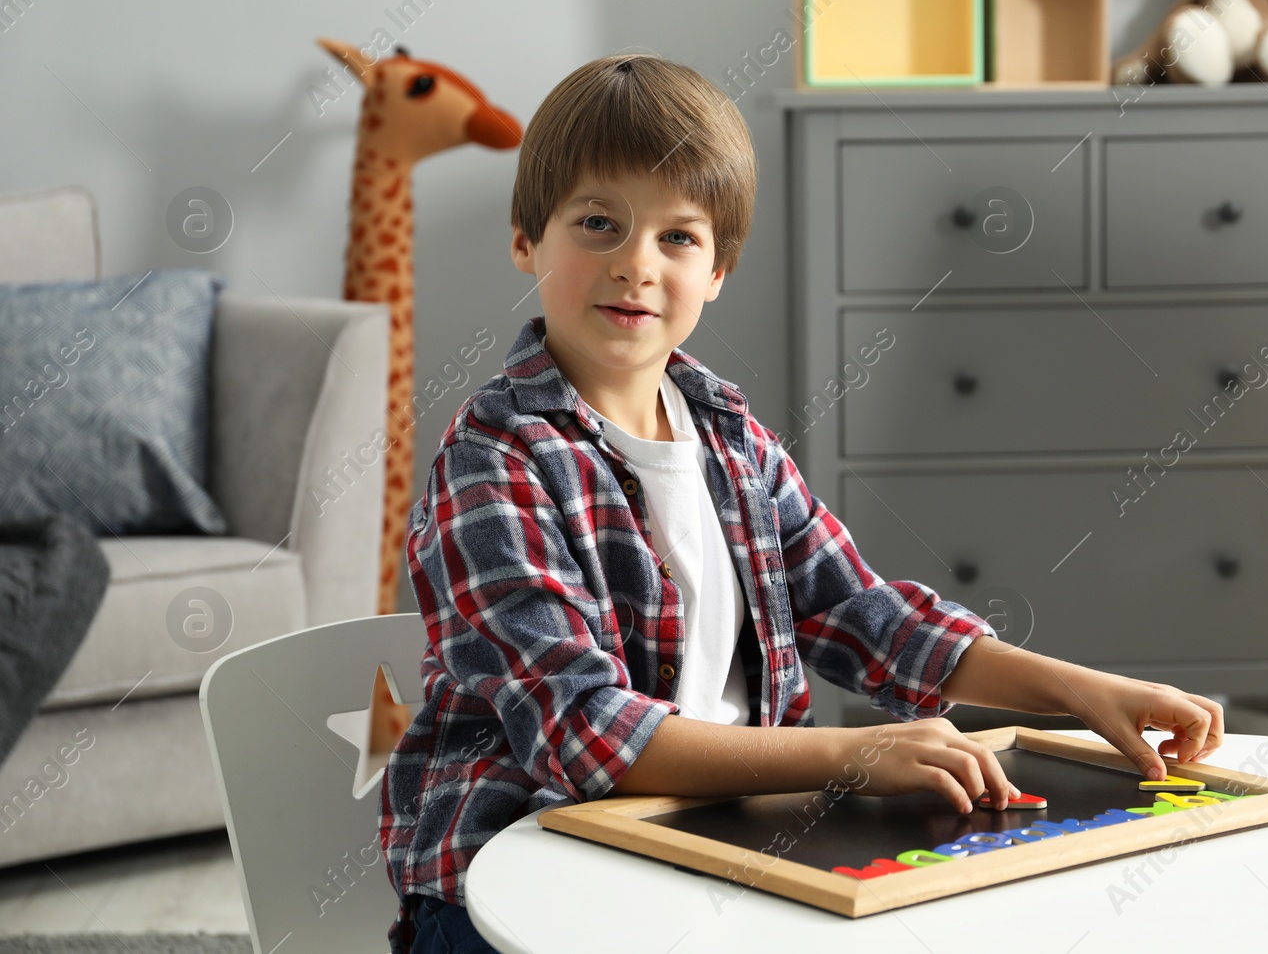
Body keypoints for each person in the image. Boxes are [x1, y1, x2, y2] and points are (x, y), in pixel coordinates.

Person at [379, 54, 1224, 953]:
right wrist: (850, 756)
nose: (635, 264)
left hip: (714, 838)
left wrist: (1080, 690)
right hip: (519, 882)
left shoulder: (728, 433)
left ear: (719, 271)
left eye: (678, 237)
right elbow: (587, 733)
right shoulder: (493, 459)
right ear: (527, 242)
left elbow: (859, 612)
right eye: (598, 223)